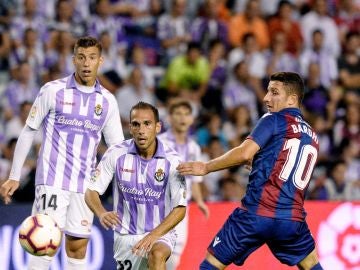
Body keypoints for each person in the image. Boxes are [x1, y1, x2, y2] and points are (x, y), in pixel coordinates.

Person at [0, 36, 124, 270]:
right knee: (43, 244)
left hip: (85, 187)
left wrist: (116, 186)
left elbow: (117, 149)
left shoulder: (107, 101)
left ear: (101, 61)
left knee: (77, 248)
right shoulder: (52, 90)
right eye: (81, 57)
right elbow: (28, 131)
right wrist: (15, 175)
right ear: (73, 60)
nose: (86, 63)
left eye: (92, 58)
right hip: (51, 181)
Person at [177, 72, 323, 270]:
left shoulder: (273, 119)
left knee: (211, 264)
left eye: (274, 92)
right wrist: (261, 163)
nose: (266, 98)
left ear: (292, 99)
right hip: (291, 221)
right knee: (312, 263)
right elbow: (285, 167)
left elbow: (245, 153)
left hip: (256, 214)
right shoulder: (312, 135)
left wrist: (206, 166)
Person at [85, 101, 187, 270]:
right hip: (125, 238)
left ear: (158, 127)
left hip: (160, 234)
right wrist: (101, 213)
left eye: (147, 124)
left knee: (157, 254)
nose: (141, 130)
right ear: (130, 128)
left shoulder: (172, 161)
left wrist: (153, 235)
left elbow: (180, 208)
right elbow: (91, 191)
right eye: (136, 124)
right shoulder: (116, 154)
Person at [158, 99, 209, 269]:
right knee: (155, 251)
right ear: (170, 118)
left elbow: (195, 180)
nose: (183, 118)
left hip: (182, 207)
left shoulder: (194, 147)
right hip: (159, 205)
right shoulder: (159, 143)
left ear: (192, 119)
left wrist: (200, 201)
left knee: (176, 254)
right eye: (178, 114)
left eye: (187, 114)